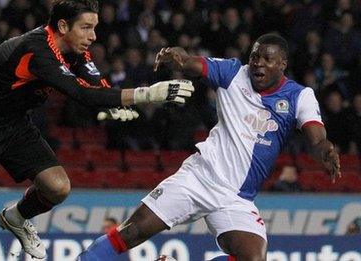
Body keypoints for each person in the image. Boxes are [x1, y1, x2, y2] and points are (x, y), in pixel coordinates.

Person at [0, 1, 194, 260]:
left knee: (57, 187)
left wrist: (114, 103)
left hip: (14, 124)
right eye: (86, 28)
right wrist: (147, 94)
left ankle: (16, 217)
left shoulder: (76, 48)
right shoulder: (36, 50)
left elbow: (94, 83)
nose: (93, 36)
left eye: (94, 28)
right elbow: (81, 93)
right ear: (62, 25)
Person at [77, 34, 341, 261]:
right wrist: (175, 55)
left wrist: (326, 151)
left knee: (253, 257)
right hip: (200, 177)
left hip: (237, 198)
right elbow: (192, 63)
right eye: (254, 56)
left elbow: (317, 139)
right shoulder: (232, 73)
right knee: (132, 231)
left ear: (282, 64)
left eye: (266, 59)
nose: (258, 63)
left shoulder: (299, 96)